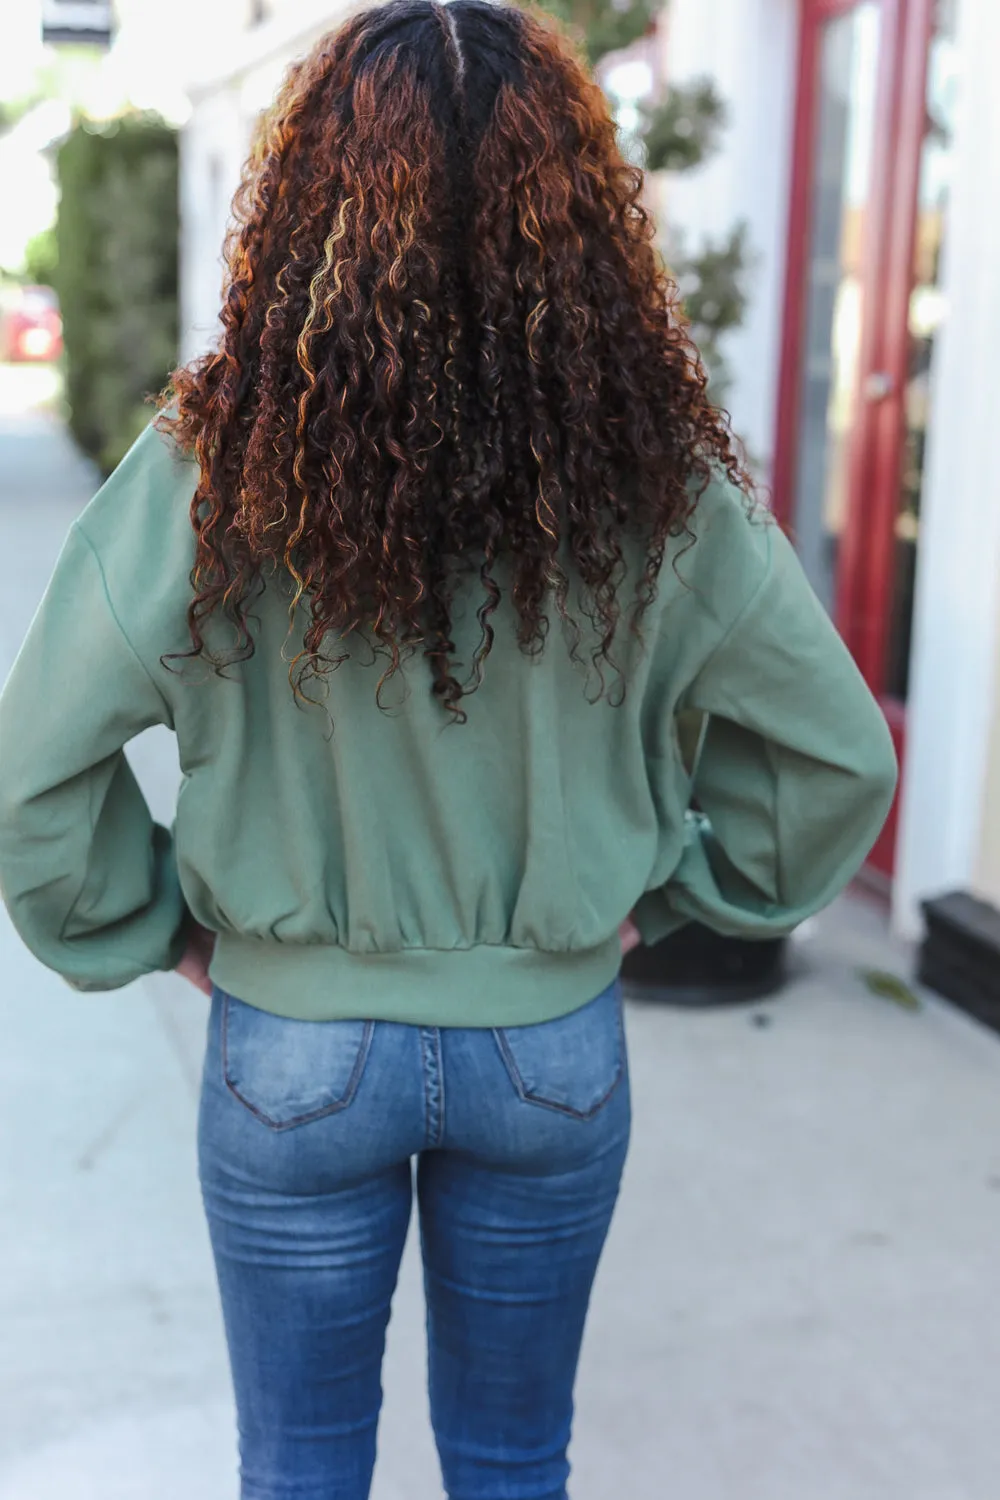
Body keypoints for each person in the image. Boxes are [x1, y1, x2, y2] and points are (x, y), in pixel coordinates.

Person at [0, 3, 897, 1496]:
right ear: (582, 220)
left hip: (289, 1054)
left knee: (296, 1471)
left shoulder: (212, 464)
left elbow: (32, 766)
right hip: (548, 1049)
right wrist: (666, 892)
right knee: (509, 1462)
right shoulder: (653, 479)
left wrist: (152, 923)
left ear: (306, 207)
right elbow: (834, 758)